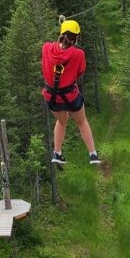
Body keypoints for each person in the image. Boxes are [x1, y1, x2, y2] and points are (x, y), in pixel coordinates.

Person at [42, 19, 101, 165]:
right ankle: (93, 154)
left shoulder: (46, 48)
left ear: (61, 33)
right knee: (81, 121)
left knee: (62, 121)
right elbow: (80, 71)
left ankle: (57, 152)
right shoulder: (78, 54)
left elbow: (55, 49)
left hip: (52, 97)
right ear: (76, 38)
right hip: (70, 96)